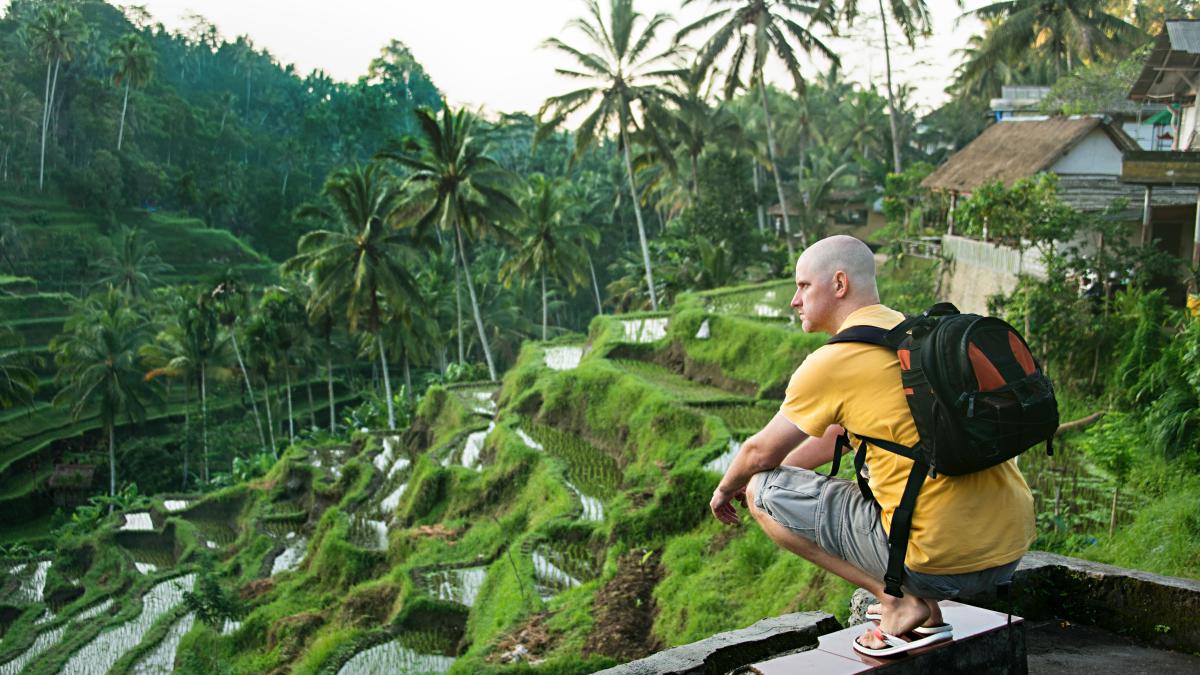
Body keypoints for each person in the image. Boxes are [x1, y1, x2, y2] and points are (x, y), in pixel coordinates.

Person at [709, 235, 1035, 656]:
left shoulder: (836, 360)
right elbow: (832, 438)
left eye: (804, 285)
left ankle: (897, 601)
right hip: (1006, 552)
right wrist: (771, 467)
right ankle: (918, 603)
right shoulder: (918, 337)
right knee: (767, 479)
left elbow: (758, 454)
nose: (794, 300)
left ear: (839, 284)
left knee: (762, 492)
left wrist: (726, 489)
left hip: (938, 564)